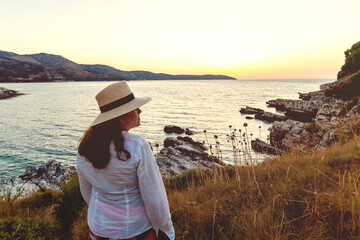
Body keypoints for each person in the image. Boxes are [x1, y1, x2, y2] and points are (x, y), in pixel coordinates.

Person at [76, 81, 175, 240]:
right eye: (134, 108)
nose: (140, 110)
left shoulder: (85, 147)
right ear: (121, 117)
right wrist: (166, 231)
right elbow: (155, 199)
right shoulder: (137, 146)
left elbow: (87, 192)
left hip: (98, 229)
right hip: (134, 231)